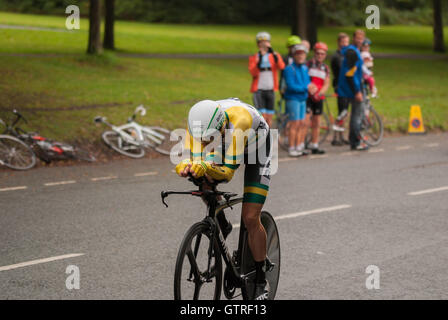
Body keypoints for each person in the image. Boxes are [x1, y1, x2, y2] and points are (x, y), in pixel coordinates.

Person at [175, 98, 272, 300]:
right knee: (199, 175)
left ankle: (261, 277)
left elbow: (227, 173)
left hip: (257, 147)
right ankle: (222, 224)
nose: (204, 142)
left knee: (250, 217)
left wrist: (207, 166)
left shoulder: (240, 121)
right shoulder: (197, 122)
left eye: (208, 138)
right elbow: (196, 160)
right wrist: (187, 166)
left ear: (220, 127)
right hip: (229, 144)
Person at [337, 29, 369, 151]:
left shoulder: (354, 51)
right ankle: (356, 142)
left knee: (356, 115)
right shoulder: (352, 52)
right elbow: (350, 74)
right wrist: (357, 91)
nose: (360, 41)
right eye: (358, 38)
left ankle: (354, 140)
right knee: (357, 115)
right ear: (353, 38)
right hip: (353, 88)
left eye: (362, 39)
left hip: (353, 87)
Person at [283, 44, 316, 157]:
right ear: (294, 55)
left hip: (303, 98)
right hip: (293, 99)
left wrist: (311, 86)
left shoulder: (304, 68)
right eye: (298, 54)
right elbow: (291, 86)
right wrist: (306, 88)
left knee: (302, 123)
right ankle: (292, 147)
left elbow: (306, 82)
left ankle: (298, 146)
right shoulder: (289, 69)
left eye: (302, 53)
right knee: (294, 124)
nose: (300, 56)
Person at [249, 32, 285, 128]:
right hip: (259, 89)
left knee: (269, 117)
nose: (264, 45)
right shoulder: (255, 57)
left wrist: (273, 53)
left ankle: (270, 140)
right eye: (261, 42)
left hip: (270, 89)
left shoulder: (274, 55)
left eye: (266, 42)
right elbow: (253, 72)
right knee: (262, 117)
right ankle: (261, 141)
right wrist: (260, 58)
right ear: (258, 44)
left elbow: (281, 66)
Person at [305, 42, 331, 154]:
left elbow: (327, 83)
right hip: (308, 96)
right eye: (318, 53)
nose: (320, 55)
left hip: (319, 97)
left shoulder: (325, 68)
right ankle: (301, 144)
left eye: (322, 54)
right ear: (314, 53)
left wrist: (320, 93)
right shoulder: (308, 64)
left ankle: (314, 144)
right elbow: (305, 79)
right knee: (305, 121)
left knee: (317, 122)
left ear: (325, 55)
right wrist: (310, 89)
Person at [330, 33, 350, 145]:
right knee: (341, 112)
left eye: (347, 42)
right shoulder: (337, 56)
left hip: (347, 88)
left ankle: (342, 135)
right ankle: (335, 137)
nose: (345, 45)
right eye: (343, 42)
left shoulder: (345, 55)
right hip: (340, 87)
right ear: (339, 43)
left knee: (345, 112)